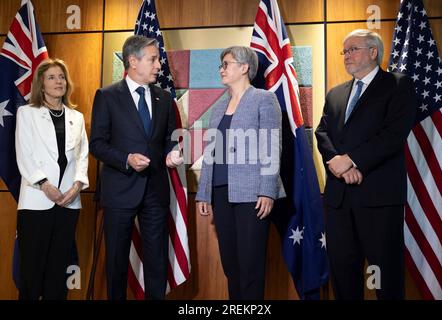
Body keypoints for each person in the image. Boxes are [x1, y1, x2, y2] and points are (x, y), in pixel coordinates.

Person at [315, 29, 417, 299]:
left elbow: (393, 134)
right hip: (338, 200)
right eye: (344, 51)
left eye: (353, 49)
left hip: (378, 198)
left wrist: (351, 160)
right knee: (343, 273)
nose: (346, 56)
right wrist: (336, 162)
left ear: (373, 52)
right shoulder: (336, 94)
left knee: (386, 276)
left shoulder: (398, 85)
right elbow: (322, 133)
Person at [89, 35, 183, 300]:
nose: (159, 65)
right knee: (117, 261)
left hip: (155, 191)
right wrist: (126, 158)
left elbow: (166, 141)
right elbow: (97, 144)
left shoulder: (164, 99)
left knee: (156, 262)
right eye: (153, 59)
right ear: (133, 61)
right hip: (119, 190)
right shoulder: (107, 96)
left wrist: (171, 155)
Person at [196, 46, 283, 300]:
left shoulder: (263, 99)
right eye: (221, 65)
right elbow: (211, 153)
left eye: (227, 64)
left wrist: (267, 190)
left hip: (252, 195)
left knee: (250, 266)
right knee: (231, 265)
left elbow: (271, 146)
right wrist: (204, 193)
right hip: (221, 194)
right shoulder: (218, 106)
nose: (222, 69)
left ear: (244, 68)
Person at [15, 58, 89, 300]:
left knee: (59, 270)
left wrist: (77, 185)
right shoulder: (27, 113)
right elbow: (24, 153)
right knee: (32, 271)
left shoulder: (76, 117)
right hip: (37, 201)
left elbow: (83, 156)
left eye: (62, 77)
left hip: (68, 202)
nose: (59, 81)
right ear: (41, 84)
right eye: (52, 77)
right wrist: (45, 185)